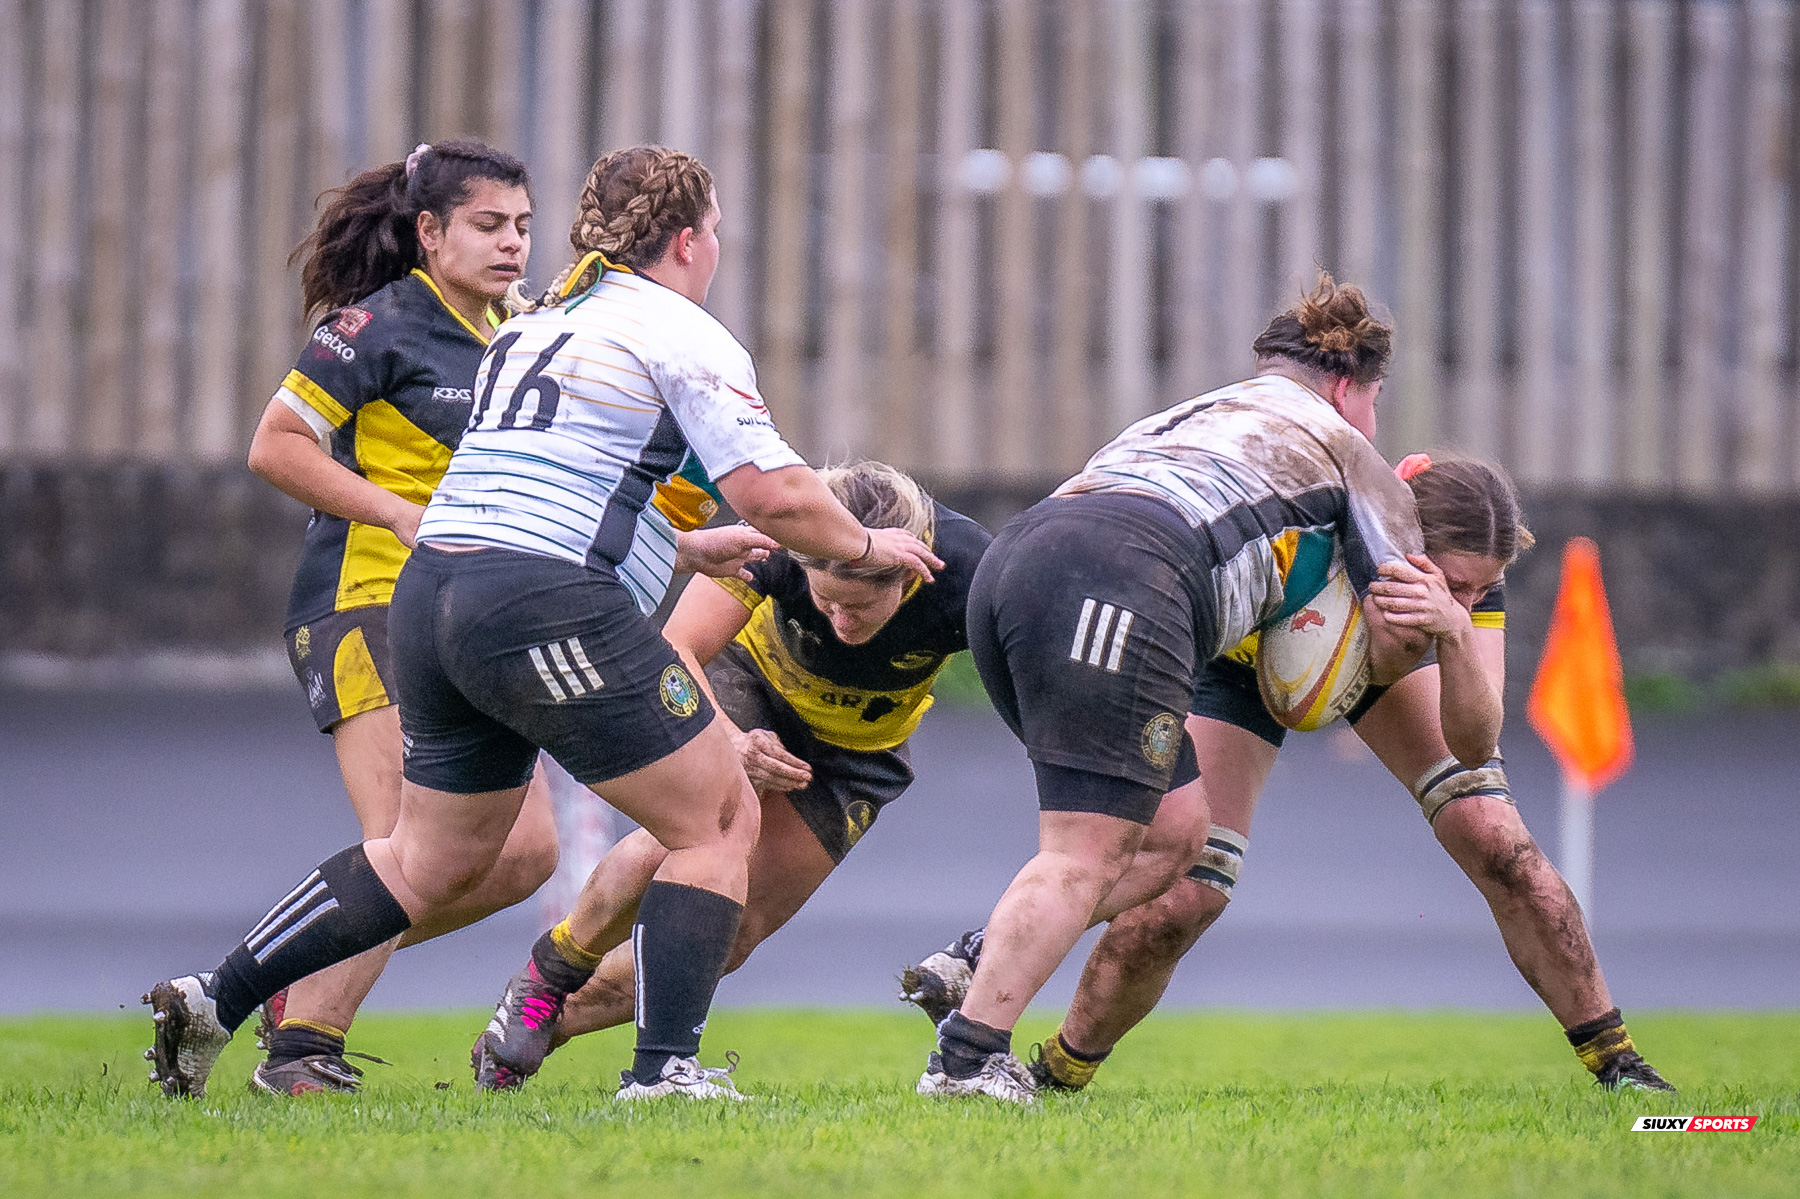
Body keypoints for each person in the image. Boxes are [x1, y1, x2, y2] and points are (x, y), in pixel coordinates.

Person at [144, 144, 940, 1102]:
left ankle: (212, 997)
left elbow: (540, 487)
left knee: (427, 857)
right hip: (532, 598)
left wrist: (686, 551)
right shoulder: (680, 331)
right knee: (720, 812)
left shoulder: (536, 326)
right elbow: (775, 493)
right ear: (689, 240)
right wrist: (861, 547)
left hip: (433, 595)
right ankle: (664, 1074)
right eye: (718, 230)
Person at [904, 454, 1675, 1095]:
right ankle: (1054, 1072)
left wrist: (1451, 626)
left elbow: (1473, 741)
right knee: (1186, 891)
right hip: (1236, 663)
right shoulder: (1311, 523)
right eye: (1452, 581)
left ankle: (1621, 1067)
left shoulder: (1458, 587)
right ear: (1396, 536)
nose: (1466, 596)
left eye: (1479, 588)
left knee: (1497, 838)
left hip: (1380, 657)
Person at [909, 274, 1428, 1104]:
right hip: (1125, 576)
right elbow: (1400, 629)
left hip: (1020, 564)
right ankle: (967, 1062)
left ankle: (978, 955)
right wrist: (1409, 638)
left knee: (1176, 834)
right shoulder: (1349, 448)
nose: (1372, 420)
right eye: (1371, 400)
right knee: (1084, 849)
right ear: (1344, 385)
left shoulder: (1192, 412)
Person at [467, 461, 992, 1090]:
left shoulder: (971, 573)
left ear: (909, 575)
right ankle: (549, 975)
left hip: (860, 749)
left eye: (859, 608)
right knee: (697, 839)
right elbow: (681, 646)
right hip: (745, 694)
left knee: (731, 937)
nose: (840, 624)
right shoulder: (781, 535)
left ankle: (532, 1031)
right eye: (825, 602)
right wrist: (731, 740)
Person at [240, 139, 561, 1094]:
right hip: (364, 603)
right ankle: (303, 1049)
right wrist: (397, 511)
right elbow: (274, 447)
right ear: (429, 231)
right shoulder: (371, 327)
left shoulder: (521, 329)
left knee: (528, 851)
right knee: (410, 842)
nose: (513, 244)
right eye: (488, 225)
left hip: (465, 616)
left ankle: (280, 971)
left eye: (523, 227)